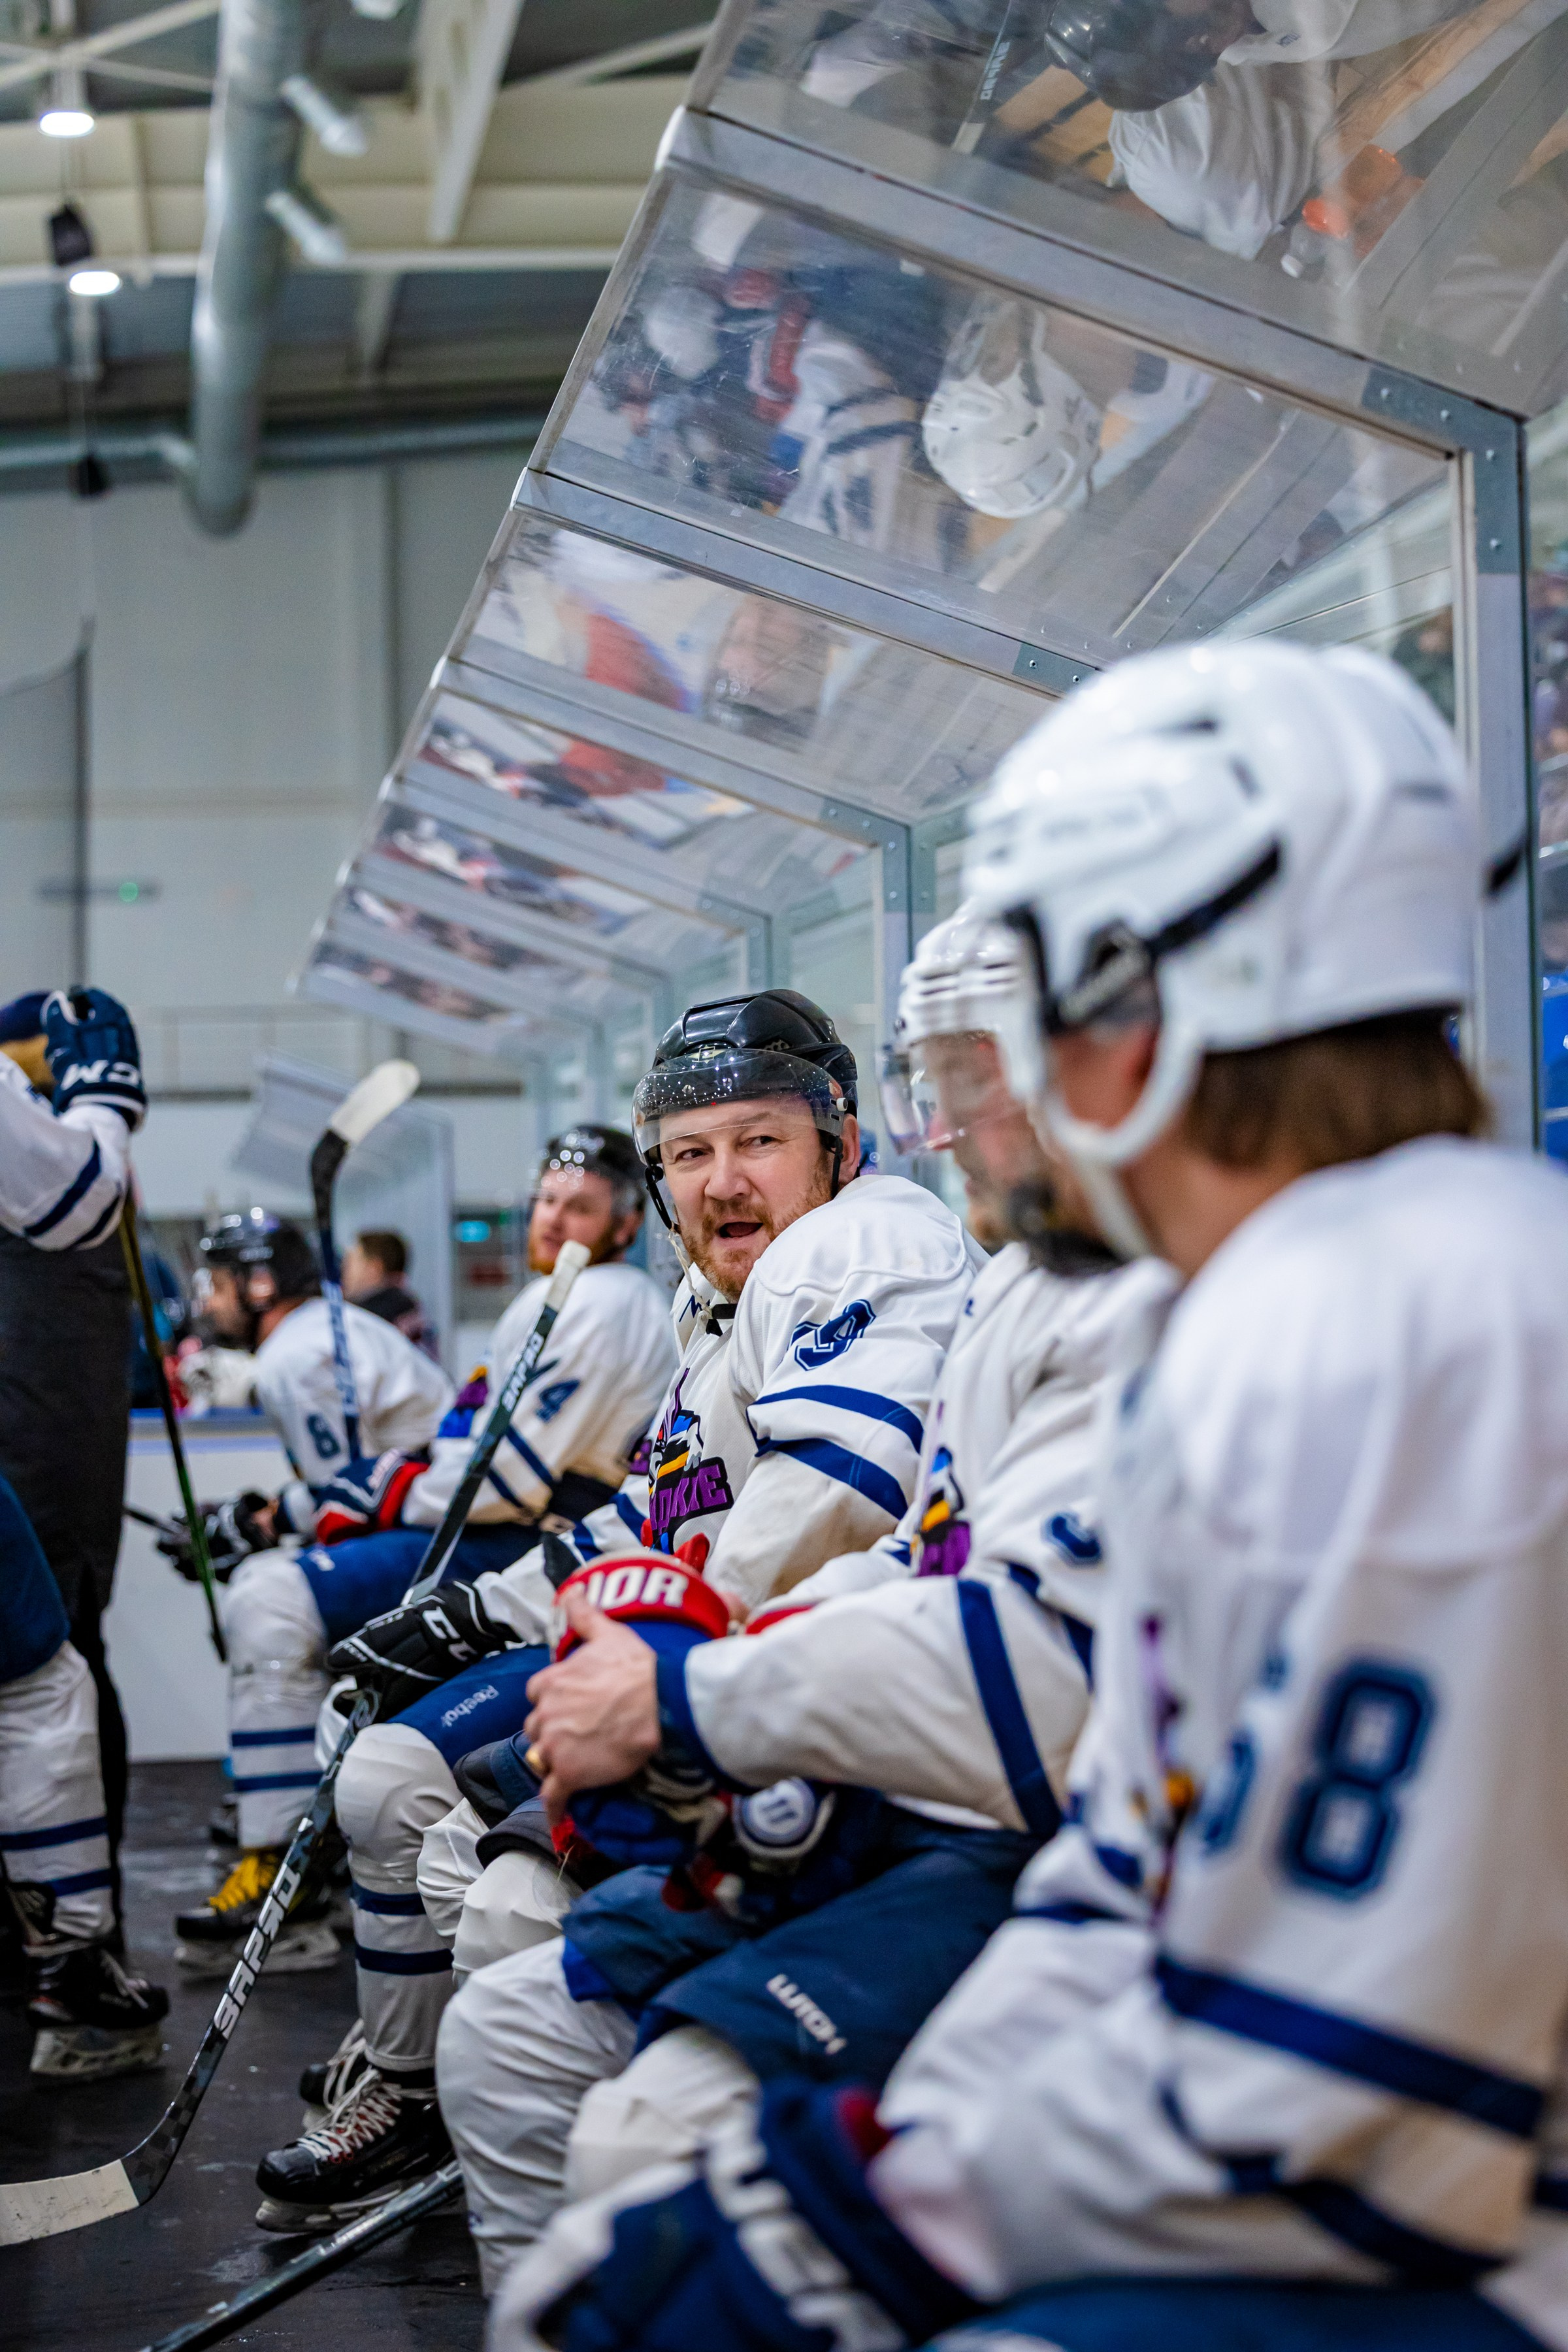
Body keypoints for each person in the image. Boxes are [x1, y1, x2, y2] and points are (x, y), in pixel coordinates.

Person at [492, 639, 1568, 2352]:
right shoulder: (1296, 1297)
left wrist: (875, 2219)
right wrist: (901, 2163)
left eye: (1039, 1008)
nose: (999, 1091)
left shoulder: (1405, 1317)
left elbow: (1345, 2098)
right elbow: (1120, 1883)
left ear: (1151, 1004)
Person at [425, 952, 1159, 2296]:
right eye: (692, 1151)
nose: (950, 1133)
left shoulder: (922, 1255)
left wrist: (701, 1693)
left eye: (760, 1140)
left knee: (626, 2109)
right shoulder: (1009, 1279)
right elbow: (906, 1556)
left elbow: (1012, 1657)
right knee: (504, 2022)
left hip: (1056, 1860)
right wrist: (677, 1658)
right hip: (963, 1800)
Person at [242, 1127, 675, 2230]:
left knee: (381, 1763)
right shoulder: (550, 1304)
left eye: (578, 1208)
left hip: (560, 1567)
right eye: (543, 1202)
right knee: (369, 1739)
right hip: (534, 1565)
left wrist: (393, 1536)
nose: (552, 1224)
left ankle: (411, 2073)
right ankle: (404, 2030)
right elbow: (458, 1445)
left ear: (628, 1221)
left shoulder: (619, 1302)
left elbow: (505, 1481)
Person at [168, 1208, 453, 1973]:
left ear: (261, 1284)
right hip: (426, 1523)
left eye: (222, 1280)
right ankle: (297, 1828)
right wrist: (265, 1521)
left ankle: (279, 1866)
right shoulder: (317, 1335)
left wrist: (260, 1529)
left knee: (265, 1603)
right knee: (272, 1591)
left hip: (441, 1542)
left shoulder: (298, 1356)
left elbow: (355, 1492)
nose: (211, 1296)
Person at [0, 988, 166, 2077]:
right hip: (42, 1450)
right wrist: (103, 1104)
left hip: (46, 1438)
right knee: (45, 1682)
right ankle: (73, 1971)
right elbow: (77, 1194)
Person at [342, 1229, 438, 1360]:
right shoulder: (407, 1308)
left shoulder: (371, 1317)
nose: (344, 1270)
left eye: (350, 1262)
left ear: (374, 1269)